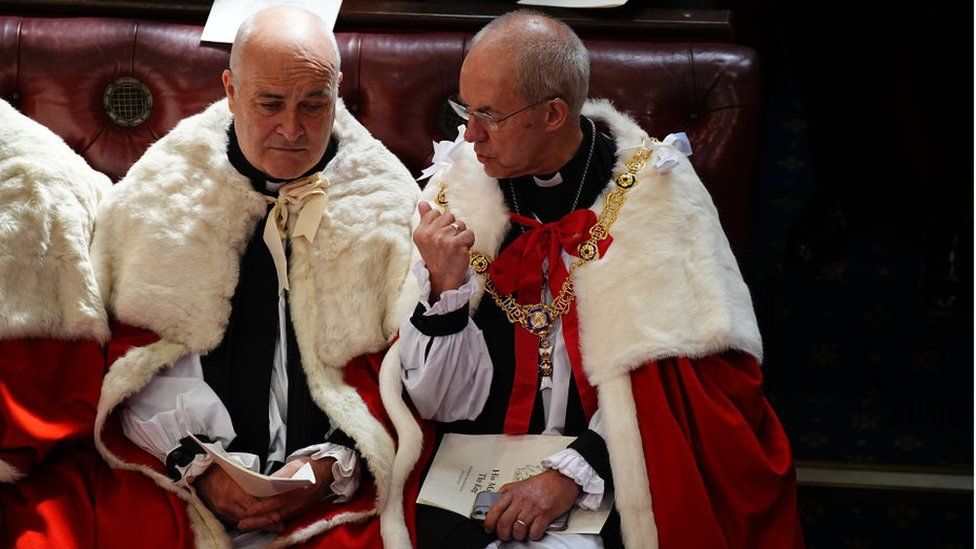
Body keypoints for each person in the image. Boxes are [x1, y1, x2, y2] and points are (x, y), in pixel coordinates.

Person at [378, 10, 805, 549]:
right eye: (464, 109)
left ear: (554, 113)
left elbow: (690, 392)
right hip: (470, 475)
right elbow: (438, 405)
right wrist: (443, 293)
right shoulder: (454, 197)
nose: (471, 135)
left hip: (613, 475)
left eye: (490, 114)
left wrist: (572, 472)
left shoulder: (655, 195)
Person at [82, 6, 417, 547]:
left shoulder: (388, 202)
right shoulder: (162, 194)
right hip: (182, 483)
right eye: (269, 104)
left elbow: (404, 373)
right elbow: (136, 355)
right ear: (231, 90)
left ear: (338, 94)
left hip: (339, 491)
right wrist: (203, 468)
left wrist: (331, 469)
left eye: (314, 104)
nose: (293, 129)